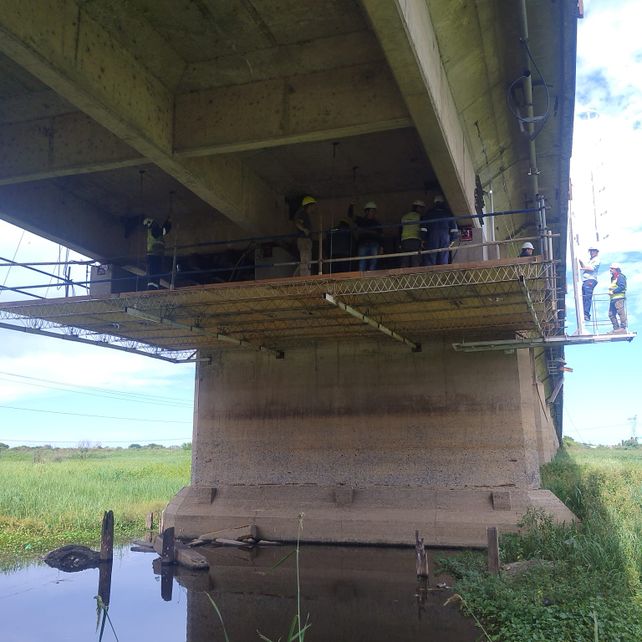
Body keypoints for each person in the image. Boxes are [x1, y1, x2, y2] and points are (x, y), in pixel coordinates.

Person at [424, 194, 457, 265]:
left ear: (435, 203)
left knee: (431, 256)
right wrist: (452, 240)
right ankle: (442, 273)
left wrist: (424, 239)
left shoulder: (429, 213)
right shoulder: (448, 213)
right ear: (443, 203)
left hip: (432, 236)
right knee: (444, 256)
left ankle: (431, 274)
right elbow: (454, 229)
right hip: (445, 237)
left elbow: (423, 228)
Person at [143, 216, 171, 289]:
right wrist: (168, 222)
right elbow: (163, 231)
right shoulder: (154, 230)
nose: (156, 223)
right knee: (155, 271)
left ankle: (154, 286)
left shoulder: (153, 230)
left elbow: (162, 232)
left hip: (156, 254)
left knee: (156, 271)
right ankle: (152, 287)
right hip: (154, 254)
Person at [355, 202, 383, 271]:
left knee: (373, 262)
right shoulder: (361, 220)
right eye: (372, 211)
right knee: (362, 261)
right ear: (366, 211)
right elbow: (350, 215)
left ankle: (371, 277)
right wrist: (351, 204)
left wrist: (381, 247)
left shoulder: (377, 223)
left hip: (374, 244)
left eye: (374, 211)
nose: (373, 213)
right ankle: (362, 277)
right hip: (363, 244)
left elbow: (381, 235)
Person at [294, 195, 317, 276]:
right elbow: (297, 223)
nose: (314, 207)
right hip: (304, 240)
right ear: (309, 205)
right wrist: (304, 229)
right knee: (305, 260)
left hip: (306, 240)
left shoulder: (305, 215)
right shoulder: (302, 213)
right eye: (313, 205)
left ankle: (297, 276)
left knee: (305, 260)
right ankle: (304, 278)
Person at [400, 200, 425, 267]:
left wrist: (400, 242)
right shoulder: (420, 217)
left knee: (405, 260)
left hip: (405, 240)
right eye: (422, 208)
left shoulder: (404, 217)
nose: (422, 210)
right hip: (415, 240)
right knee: (415, 260)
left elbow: (400, 229)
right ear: (418, 208)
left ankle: (404, 276)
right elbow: (422, 230)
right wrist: (423, 241)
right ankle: (415, 276)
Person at [579, 245, 600, 321]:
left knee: (587, 297)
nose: (591, 252)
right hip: (586, 280)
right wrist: (581, 263)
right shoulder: (590, 260)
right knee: (584, 297)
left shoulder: (596, 260)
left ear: (596, 252)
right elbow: (586, 267)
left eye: (593, 251)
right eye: (590, 251)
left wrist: (582, 267)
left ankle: (586, 313)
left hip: (590, 280)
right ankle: (584, 313)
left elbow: (591, 268)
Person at [608, 263, 627, 333]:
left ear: (616, 269)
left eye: (612, 269)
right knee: (611, 314)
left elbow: (622, 286)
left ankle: (623, 328)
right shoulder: (613, 278)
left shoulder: (620, 277)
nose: (610, 270)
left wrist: (613, 292)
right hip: (613, 299)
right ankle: (616, 329)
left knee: (620, 313)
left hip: (619, 298)